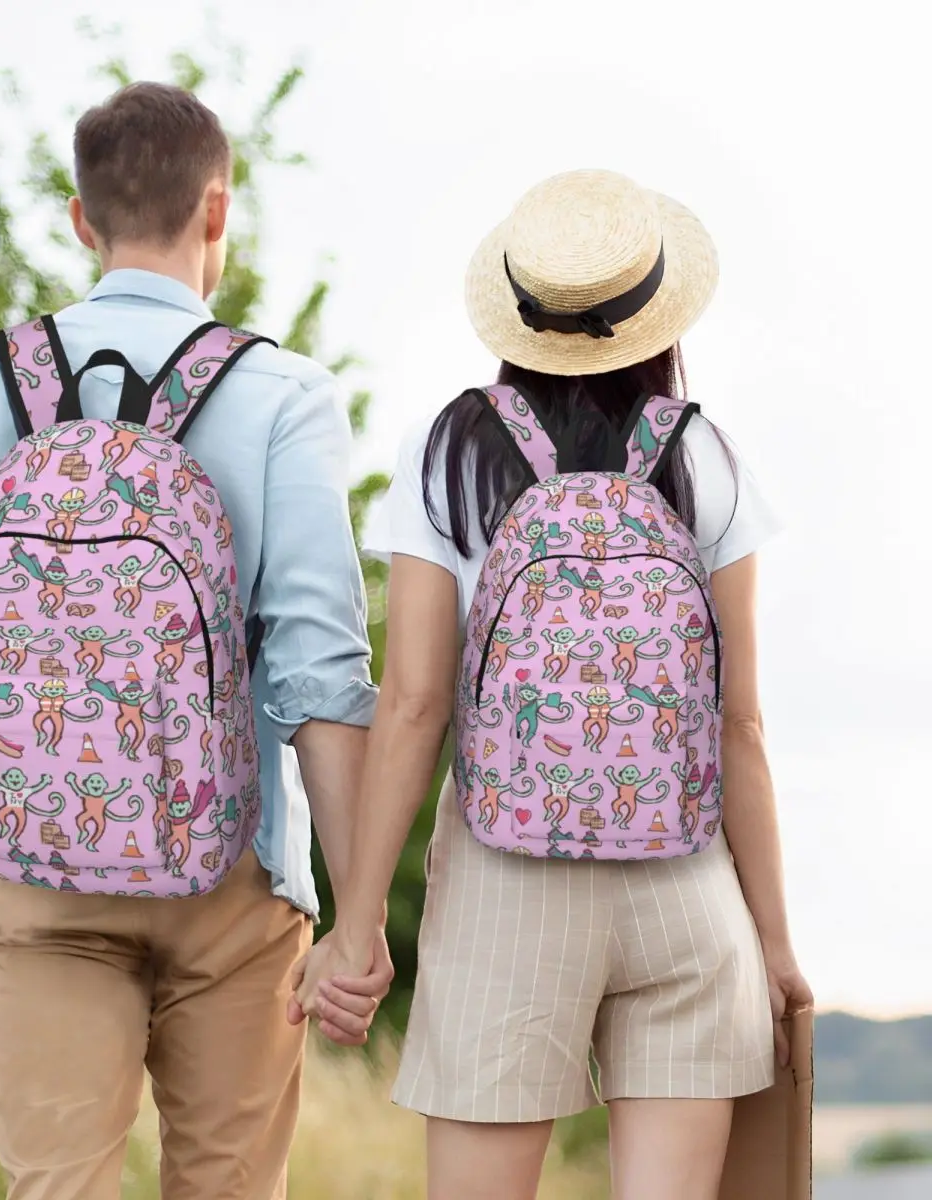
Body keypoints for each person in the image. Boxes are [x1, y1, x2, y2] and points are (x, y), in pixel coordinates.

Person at [0, 81, 392, 1200]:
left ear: (82, 220)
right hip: (235, 872)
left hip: (34, 874)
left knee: (57, 1186)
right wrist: (359, 914)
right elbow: (321, 678)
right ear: (218, 212)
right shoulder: (282, 394)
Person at [292, 169, 813, 1200]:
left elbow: (413, 705)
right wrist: (775, 943)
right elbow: (740, 723)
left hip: (504, 883)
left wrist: (356, 927)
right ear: (656, 315)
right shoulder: (705, 455)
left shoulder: (449, 451)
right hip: (687, 887)